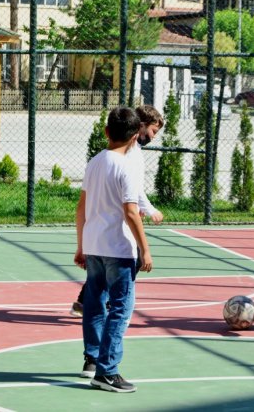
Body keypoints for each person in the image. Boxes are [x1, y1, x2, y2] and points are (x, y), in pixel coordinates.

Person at [74, 106, 153, 393]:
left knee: (94, 304)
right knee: (121, 308)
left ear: (106, 132)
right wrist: (145, 249)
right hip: (118, 248)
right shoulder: (127, 167)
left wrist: (81, 245)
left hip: (94, 244)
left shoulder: (94, 162)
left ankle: (93, 360)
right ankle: (107, 371)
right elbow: (131, 212)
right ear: (135, 137)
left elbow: (81, 208)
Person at [70, 105, 164, 317]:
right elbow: (133, 191)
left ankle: (88, 303)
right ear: (140, 127)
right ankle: (102, 302)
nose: (153, 136)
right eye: (153, 131)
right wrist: (147, 209)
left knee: (103, 267)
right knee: (130, 261)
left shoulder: (99, 160)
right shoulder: (129, 157)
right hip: (116, 226)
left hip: (100, 231)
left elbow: (83, 204)